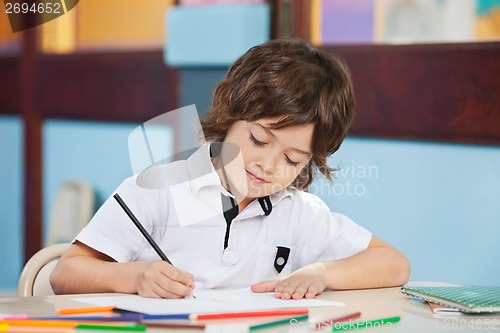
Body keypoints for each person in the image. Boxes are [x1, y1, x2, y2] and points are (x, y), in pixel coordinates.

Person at [50, 38, 410, 300]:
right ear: (229, 116)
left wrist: (323, 271)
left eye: (292, 160)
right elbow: (65, 273)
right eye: (258, 139)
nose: (268, 167)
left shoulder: (297, 213)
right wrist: (135, 275)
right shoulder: (156, 191)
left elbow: (393, 264)